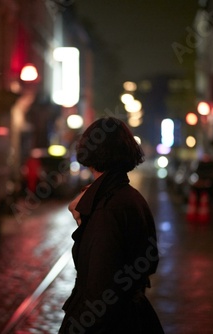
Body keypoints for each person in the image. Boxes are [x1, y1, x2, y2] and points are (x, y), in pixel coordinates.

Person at [59, 117, 164, 333]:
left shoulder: (106, 208)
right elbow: (149, 259)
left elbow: (100, 288)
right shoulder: (131, 198)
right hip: (135, 318)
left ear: (90, 154)